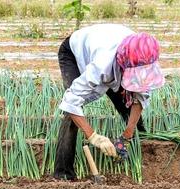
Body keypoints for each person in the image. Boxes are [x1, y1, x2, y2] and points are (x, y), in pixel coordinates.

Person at [54, 24, 165, 180]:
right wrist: (93, 136)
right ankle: (63, 174)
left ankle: (140, 154)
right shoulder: (102, 65)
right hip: (73, 51)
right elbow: (71, 101)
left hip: (111, 50)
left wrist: (127, 135)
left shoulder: (145, 57)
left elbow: (139, 98)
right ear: (123, 64)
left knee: (126, 100)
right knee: (72, 115)